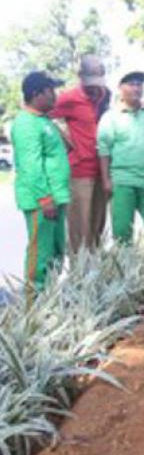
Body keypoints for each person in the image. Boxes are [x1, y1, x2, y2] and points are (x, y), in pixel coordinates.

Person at [12, 72, 70, 301]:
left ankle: (50, 300)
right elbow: (30, 166)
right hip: (42, 201)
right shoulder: (26, 123)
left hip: (56, 196)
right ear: (37, 94)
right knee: (41, 254)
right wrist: (44, 198)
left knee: (56, 251)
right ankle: (33, 306)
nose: (55, 96)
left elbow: (66, 148)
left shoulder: (43, 120)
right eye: (51, 91)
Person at [98, 71, 144, 243]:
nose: (136, 88)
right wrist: (106, 180)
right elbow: (104, 150)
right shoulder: (110, 117)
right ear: (120, 88)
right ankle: (126, 268)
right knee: (122, 233)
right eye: (131, 84)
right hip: (122, 181)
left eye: (139, 84)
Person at [50, 55, 111, 253]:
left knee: (97, 229)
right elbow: (44, 116)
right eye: (90, 82)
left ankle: (96, 277)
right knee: (80, 231)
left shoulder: (105, 96)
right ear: (80, 76)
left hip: (102, 172)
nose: (94, 88)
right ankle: (79, 278)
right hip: (79, 172)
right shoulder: (68, 98)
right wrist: (67, 142)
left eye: (98, 81)